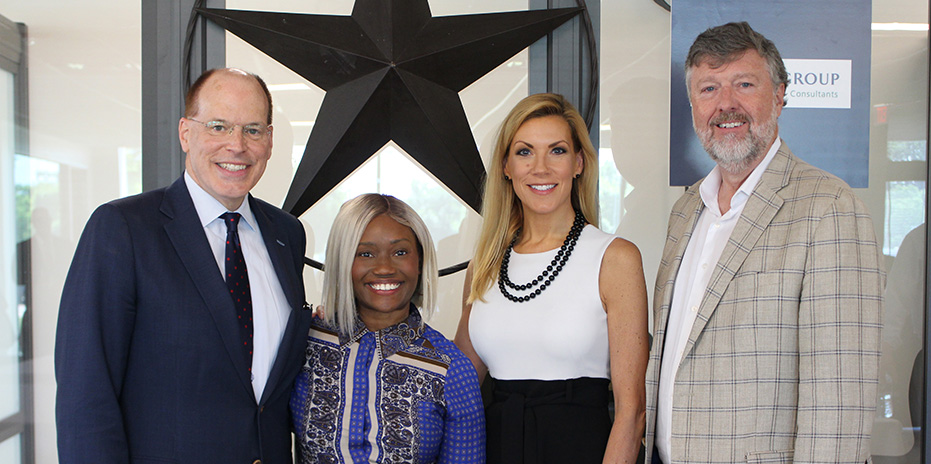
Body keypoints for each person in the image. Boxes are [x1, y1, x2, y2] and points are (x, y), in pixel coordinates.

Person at [646, 22, 884, 463]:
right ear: (694, 105)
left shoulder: (829, 207)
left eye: (745, 84)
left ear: (779, 96)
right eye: (709, 88)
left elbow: (839, 401)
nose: (726, 104)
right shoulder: (685, 212)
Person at [54, 68, 311, 463]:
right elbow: (85, 394)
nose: (237, 145)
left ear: (270, 141)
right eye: (219, 126)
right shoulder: (122, 229)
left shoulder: (286, 234)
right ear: (185, 133)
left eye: (253, 130)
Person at [455, 93, 649, 464]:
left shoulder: (615, 258)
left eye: (556, 151)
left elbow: (632, 412)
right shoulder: (485, 266)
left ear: (578, 163)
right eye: (525, 152)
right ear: (506, 167)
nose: (540, 168)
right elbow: (453, 383)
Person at [290, 194, 486, 464]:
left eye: (400, 252)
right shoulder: (304, 342)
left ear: (420, 262)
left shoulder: (452, 370)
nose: (384, 268)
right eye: (365, 253)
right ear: (342, 261)